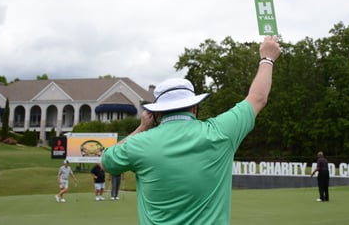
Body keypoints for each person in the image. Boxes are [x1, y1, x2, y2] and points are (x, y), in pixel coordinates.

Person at [101, 35, 281, 224]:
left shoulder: (139, 144)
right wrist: (267, 58)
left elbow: (106, 161)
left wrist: (142, 127)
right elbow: (257, 98)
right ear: (194, 107)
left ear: (158, 114)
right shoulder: (219, 133)